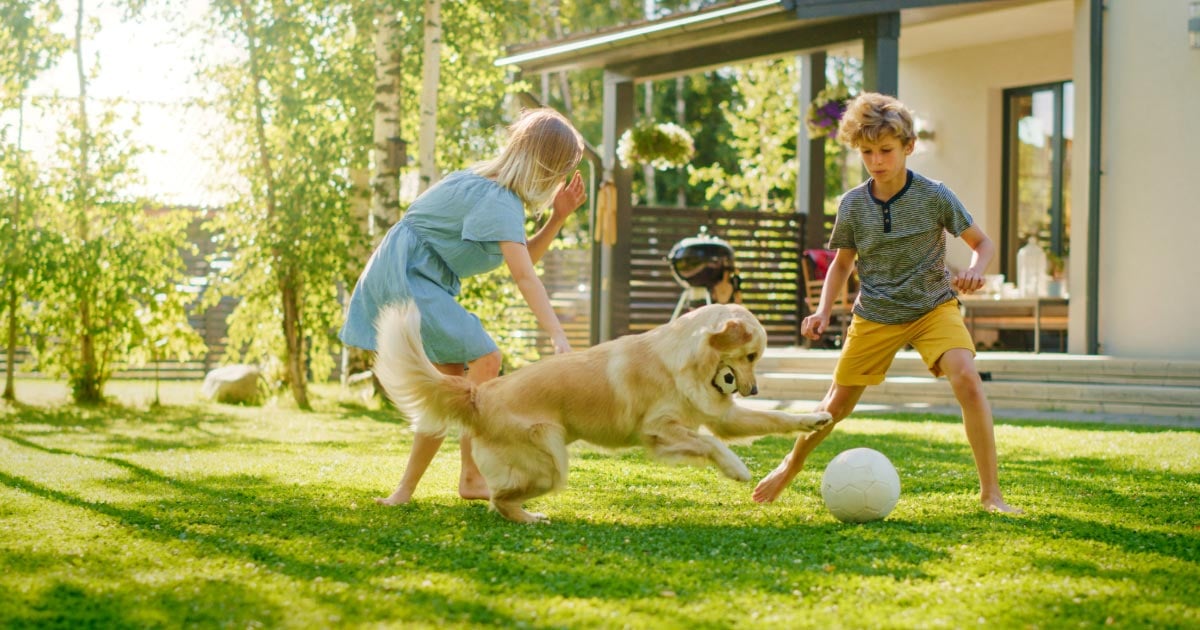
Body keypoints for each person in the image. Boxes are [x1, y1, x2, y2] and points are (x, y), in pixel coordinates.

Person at [753, 92, 1021, 514]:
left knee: (967, 378)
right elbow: (841, 265)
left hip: (933, 307)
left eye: (885, 150)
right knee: (834, 407)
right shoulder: (853, 204)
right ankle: (790, 466)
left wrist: (975, 269)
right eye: (867, 152)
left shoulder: (935, 195)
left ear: (908, 147)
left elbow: (982, 244)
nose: (876, 160)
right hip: (876, 313)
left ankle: (992, 494)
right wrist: (823, 309)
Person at [340, 108, 586, 506]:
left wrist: (557, 218)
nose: (559, 181)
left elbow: (522, 263)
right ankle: (472, 477)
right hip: (408, 276)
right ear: (546, 165)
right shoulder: (499, 200)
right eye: (561, 170)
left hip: (409, 274)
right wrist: (557, 334)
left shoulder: (493, 191)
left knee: (451, 386)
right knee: (485, 355)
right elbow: (524, 278)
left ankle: (404, 492)